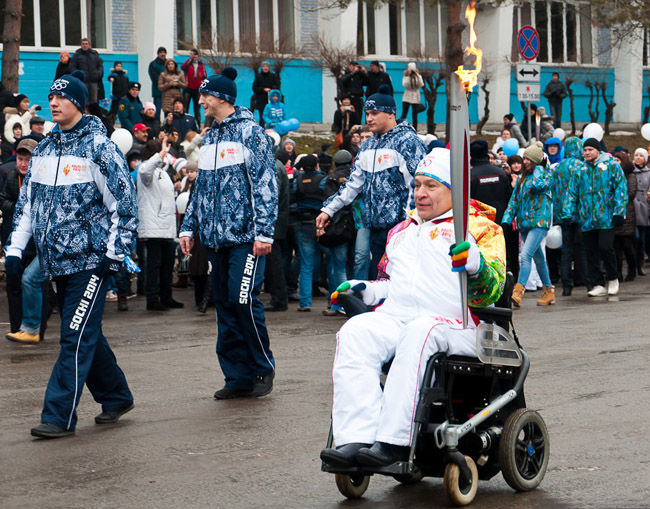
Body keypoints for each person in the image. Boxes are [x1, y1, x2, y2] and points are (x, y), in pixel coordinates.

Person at [319, 148, 506, 468]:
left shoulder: (478, 228)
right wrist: (365, 290)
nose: (420, 193)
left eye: (431, 186)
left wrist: (475, 265)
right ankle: (357, 438)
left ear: (454, 190)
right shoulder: (400, 231)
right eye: (417, 184)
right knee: (356, 331)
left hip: (457, 324)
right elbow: (393, 285)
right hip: (401, 318)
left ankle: (393, 442)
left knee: (420, 332)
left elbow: (492, 292)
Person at [5, 70, 138, 438]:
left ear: (78, 102)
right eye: (51, 97)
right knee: (82, 332)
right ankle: (116, 395)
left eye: (62, 97)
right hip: (55, 263)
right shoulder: (44, 147)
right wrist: (16, 249)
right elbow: (28, 205)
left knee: (74, 337)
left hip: (91, 261)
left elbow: (123, 205)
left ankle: (58, 416)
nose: (54, 102)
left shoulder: (99, 147)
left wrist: (115, 253)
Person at [179, 67, 278, 400]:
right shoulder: (210, 137)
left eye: (205, 95)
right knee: (224, 303)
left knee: (242, 298)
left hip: (246, 239)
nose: (201, 100)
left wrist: (264, 232)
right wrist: (189, 226)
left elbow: (266, 185)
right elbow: (201, 189)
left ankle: (262, 366)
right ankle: (237, 376)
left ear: (221, 98)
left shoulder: (252, 133)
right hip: (215, 240)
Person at [316, 85, 427, 280]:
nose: (369, 119)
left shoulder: (408, 142)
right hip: (374, 230)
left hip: (402, 230)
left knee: (402, 282)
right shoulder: (368, 145)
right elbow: (352, 185)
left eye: (375, 113)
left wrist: (411, 224)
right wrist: (328, 210)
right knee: (380, 283)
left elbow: (418, 186)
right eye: (367, 113)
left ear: (391, 114)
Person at [562, 138, 627, 297]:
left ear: (598, 150)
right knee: (590, 252)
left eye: (590, 150)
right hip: (586, 218)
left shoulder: (611, 167)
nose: (586, 153)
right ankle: (598, 283)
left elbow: (621, 189)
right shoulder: (579, 169)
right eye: (584, 150)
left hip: (606, 218)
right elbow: (572, 193)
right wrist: (567, 213)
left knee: (605, 247)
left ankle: (613, 279)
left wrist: (619, 212)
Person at [0, 137, 44, 342]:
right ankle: (18, 327)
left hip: (37, 244)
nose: (23, 163)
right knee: (14, 285)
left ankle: (37, 327)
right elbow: (3, 199)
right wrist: (17, 208)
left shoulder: (42, 181)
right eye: (20, 159)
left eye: (28, 159)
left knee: (34, 282)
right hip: (15, 240)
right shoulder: (10, 178)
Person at [502, 142, 555, 307]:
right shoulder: (521, 179)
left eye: (529, 159)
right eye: (524, 158)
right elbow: (514, 201)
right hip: (524, 224)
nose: (525, 162)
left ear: (536, 161)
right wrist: (506, 220)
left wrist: (540, 168)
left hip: (539, 222)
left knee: (525, 256)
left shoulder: (545, 175)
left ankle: (517, 292)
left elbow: (538, 186)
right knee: (538, 258)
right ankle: (548, 292)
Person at [294, 155, 348, 313]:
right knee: (332, 264)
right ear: (317, 165)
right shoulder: (324, 180)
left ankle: (305, 302)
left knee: (306, 265)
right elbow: (329, 199)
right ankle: (332, 301)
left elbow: (295, 198)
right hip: (323, 225)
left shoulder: (297, 182)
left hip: (304, 225)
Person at [137, 138, 184, 311]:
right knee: (154, 266)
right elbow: (144, 171)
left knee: (167, 265)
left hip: (167, 227)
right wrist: (162, 153)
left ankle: (166, 297)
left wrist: (176, 188)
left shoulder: (163, 172)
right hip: (153, 226)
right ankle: (152, 299)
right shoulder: (146, 170)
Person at [552, 137, 590, 296]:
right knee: (583, 249)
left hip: (563, 215)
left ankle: (567, 286)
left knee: (566, 250)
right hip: (580, 214)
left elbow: (553, 192)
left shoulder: (558, 168)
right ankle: (589, 283)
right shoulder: (582, 167)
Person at [612, 152, 637, 282]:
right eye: (614, 160)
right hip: (614, 214)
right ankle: (618, 273)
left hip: (627, 214)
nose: (616, 162)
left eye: (618, 160)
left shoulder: (630, 175)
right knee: (616, 248)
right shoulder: (611, 175)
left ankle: (632, 270)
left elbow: (631, 193)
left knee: (627, 246)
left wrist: (618, 197)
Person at [632, 148, 650, 276]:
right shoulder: (630, 171)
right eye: (636, 155)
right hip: (632, 207)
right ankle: (632, 265)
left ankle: (640, 265)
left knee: (642, 239)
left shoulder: (648, 173)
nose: (638, 158)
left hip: (644, 207)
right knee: (635, 237)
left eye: (641, 156)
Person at [69, 38, 103, 103]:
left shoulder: (94, 55)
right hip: (82, 82)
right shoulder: (76, 55)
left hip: (93, 82)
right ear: (81, 45)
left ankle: (93, 113)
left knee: (94, 101)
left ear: (89, 45)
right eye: (83, 44)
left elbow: (100, 66)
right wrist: (78, 76)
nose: (85, 45)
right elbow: (72, 67)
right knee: (84, 99)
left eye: (86, 44)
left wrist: (98, 74)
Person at [180, 49, 207, 123]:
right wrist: (189, 59)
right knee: (185, 107)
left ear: (198, 55)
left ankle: (197, 125)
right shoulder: (188, 63)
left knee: (197, 109)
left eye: (195, 54)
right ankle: (184, 123)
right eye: (192, 54)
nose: (194, 56)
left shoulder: (201, 64)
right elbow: (182, 67)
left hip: (197, 89)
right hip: (188, 88)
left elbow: (204, 76)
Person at [252, 61, 280, 127]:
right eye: (264, 66)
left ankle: (271, 132)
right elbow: (254, 88)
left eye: (267, 66)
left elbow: (276, 86)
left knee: (271, 117)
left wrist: (271, 89)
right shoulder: (258, 76)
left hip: (271, 101)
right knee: (262, 118)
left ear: (269, 68)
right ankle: (262, 131)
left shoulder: (273, 76)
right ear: (261, 68)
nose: (265, 68)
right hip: (261, 101)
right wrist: (263, 89)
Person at [401, 62, 424, 129]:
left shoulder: (418, 76)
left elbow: (421, 84)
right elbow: (404, 84)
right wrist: (408, 75)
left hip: (415, 96)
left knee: (415, 115)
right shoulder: (405, 76)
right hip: (407, 95)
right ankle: (401, 127)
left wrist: (417, 75)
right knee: (404, 113)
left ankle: (415, 129)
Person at [148, 47, 167, 117]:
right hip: (157, 91)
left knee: (167, 111)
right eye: (161, 52)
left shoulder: (168, 64)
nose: (163, 54)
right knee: (157, 111)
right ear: (158, 54)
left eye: (164, 52)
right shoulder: (153, 64)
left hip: (167, 92)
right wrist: (164, 84)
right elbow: (154, 77)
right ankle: (156, 126)